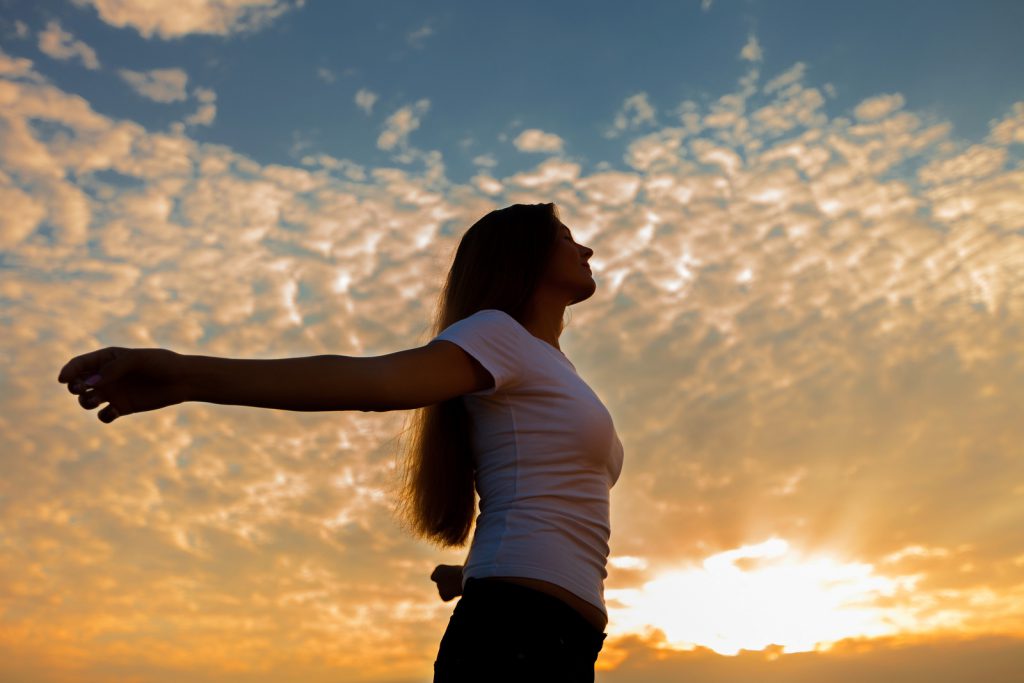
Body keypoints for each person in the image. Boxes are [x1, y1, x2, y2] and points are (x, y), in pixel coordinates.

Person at [58, 203, 624, 682]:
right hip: (518, 633)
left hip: (558, 633)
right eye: (568, 238)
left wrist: (472, 571)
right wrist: (183, 374)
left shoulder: (549, 365)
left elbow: (546, 491)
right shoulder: (498, 335)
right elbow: (376, 383)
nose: (587, 250)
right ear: (522, 256)